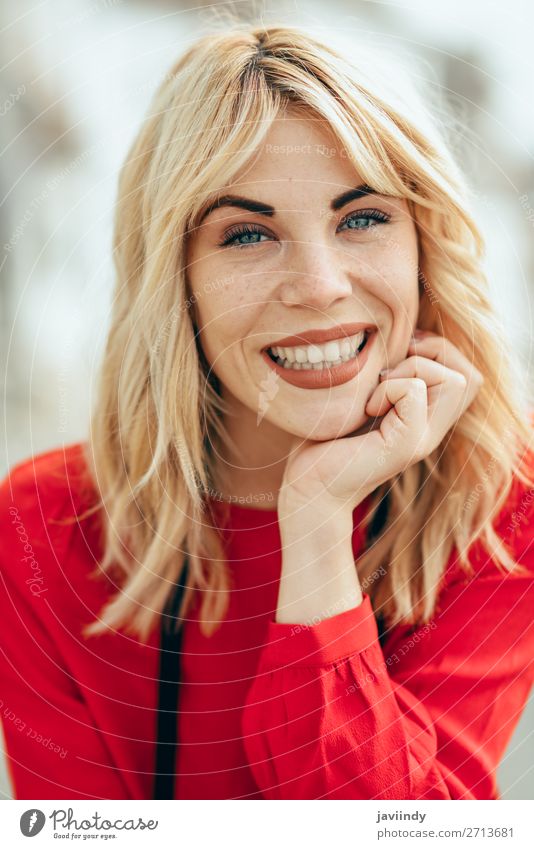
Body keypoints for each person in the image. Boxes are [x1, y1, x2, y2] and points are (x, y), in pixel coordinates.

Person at [1, 22, 533, 801]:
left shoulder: (501, 510)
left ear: (425, 244)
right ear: (174, 278)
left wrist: (316, 523)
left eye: (362, 217)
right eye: (247, 233)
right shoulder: (41, 525)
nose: (319, 285)